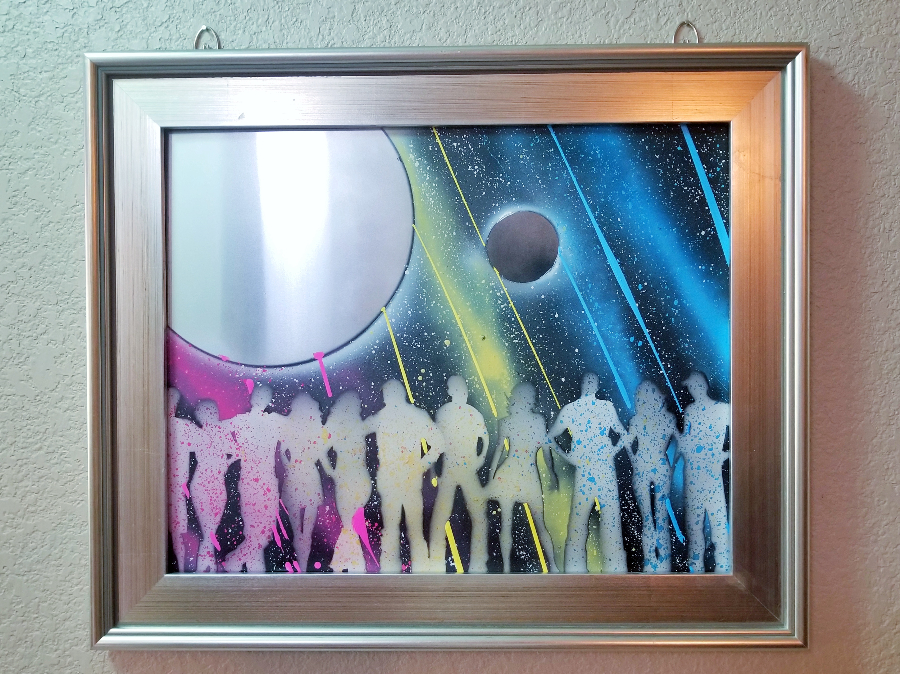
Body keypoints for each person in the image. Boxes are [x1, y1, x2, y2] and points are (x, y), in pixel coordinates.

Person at [548, 372, 627, 573]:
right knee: (580, 523)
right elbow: (550, 437)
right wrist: (569, 457)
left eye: (593, 381)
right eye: (588, 381)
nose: (590, 384)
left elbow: (623, 434)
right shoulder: (572, 409)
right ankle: (576, 574)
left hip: (602, 469)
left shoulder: (604, 407)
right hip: (588, 470)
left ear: (597, 385)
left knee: (606, 522)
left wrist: (612, 452)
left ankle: (614, 574)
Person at [366, 379, 443, 573]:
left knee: (396, 530)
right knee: (412, 531)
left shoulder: (383, 417)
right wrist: (421, 465)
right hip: (402, 481)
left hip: (400, 481)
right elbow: (439, 443)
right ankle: (418, 575)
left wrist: (420, 466)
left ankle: (391, 577)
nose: (384, 400)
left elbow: (438, 443)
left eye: (386, 396)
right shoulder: (410, 415)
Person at [490, 382, 556, 572]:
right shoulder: (538, 420)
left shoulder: (505, 422)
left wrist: (491, 476)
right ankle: (553, 567)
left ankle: (507, 568)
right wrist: (552, 474)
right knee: (539, 524)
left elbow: (498, 451)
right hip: (526, 475)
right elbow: (546, 451)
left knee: (507, 524)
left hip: (510, 474)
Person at [430, 376, 491, 572]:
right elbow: (436, 444)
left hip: (467, 469)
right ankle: (436, 563)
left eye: (462, 388)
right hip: (450, 469)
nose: (461, 392)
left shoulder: (473, 413)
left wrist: (481, 458)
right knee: (441, 515)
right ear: (450, 392)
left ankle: (478, 564)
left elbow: (485, 438)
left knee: (478, 515)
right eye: (456, 389)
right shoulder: (444, 412)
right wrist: (433, 471)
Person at [220, 385, 281, 573]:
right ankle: (234, 562)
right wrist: (235, 452)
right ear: (253, 398)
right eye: (259, 395)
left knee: (262, 535)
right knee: (257, 533)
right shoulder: (243, 421)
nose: (261, 399)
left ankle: (246, 569)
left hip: (266, 481)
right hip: (252, 480)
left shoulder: (273, 420)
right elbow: (217, 432)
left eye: (264, 396)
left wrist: (235, 451)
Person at [677, 371, 731, 573]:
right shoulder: (690, 410)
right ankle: (696, 577)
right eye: (691, 387)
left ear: (704, 385)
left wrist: (726, 454)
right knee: (695, 532)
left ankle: (723, 576)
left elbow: (743, 435)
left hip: (712, 477)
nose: (693, 390)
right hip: (693, 477)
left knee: (719, 531)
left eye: (696, 385)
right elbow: (685, 440)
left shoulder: (724, 409)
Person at [625, 381, 677, 573]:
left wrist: (634, 460)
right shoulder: (667, 418)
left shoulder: (638, 419)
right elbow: (680, 442)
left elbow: (627, 443)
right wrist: (672, 465)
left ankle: (652, 561)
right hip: (659, 465)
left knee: (649, 517)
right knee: (658, 516)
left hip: (645, 465)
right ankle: (659, 561)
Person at [279, 392, 329, 571]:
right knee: (305, 530)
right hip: (306, 476)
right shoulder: (315, 431)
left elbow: (283, 452)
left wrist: (289, 466)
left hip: (296, 476)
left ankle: (301, 567)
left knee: (299, 530)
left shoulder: (290, 429)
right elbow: (320, 456)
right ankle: (303, 567)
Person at [325, 391, 374, 572]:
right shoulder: (353, 427)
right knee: (350, 525)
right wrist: (331, 472)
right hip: (352, 480)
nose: (359, 408)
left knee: (349, 524)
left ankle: (348, 565)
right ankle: (350, 565)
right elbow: (322, 450)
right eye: (357, 404)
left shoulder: (343, 427)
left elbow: (322, 451)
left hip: (352, 480)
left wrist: (332, 472)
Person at [191, 399, 237, 573]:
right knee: (208, 531)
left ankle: (205, 569)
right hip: (203, 483)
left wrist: (226, 463)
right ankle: (206, 569)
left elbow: (237, 452)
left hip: (214, 483)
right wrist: (225, 463)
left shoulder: (217, 432)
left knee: (209, 531)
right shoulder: (200, 433)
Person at [167, 388, 202, 572]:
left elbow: (205, 444)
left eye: (173, 401)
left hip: (178, 490)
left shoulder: (185, 427)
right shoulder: (151, 426)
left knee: (178, 533)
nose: (170, 405)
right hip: (155, 489)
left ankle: (180, 570)